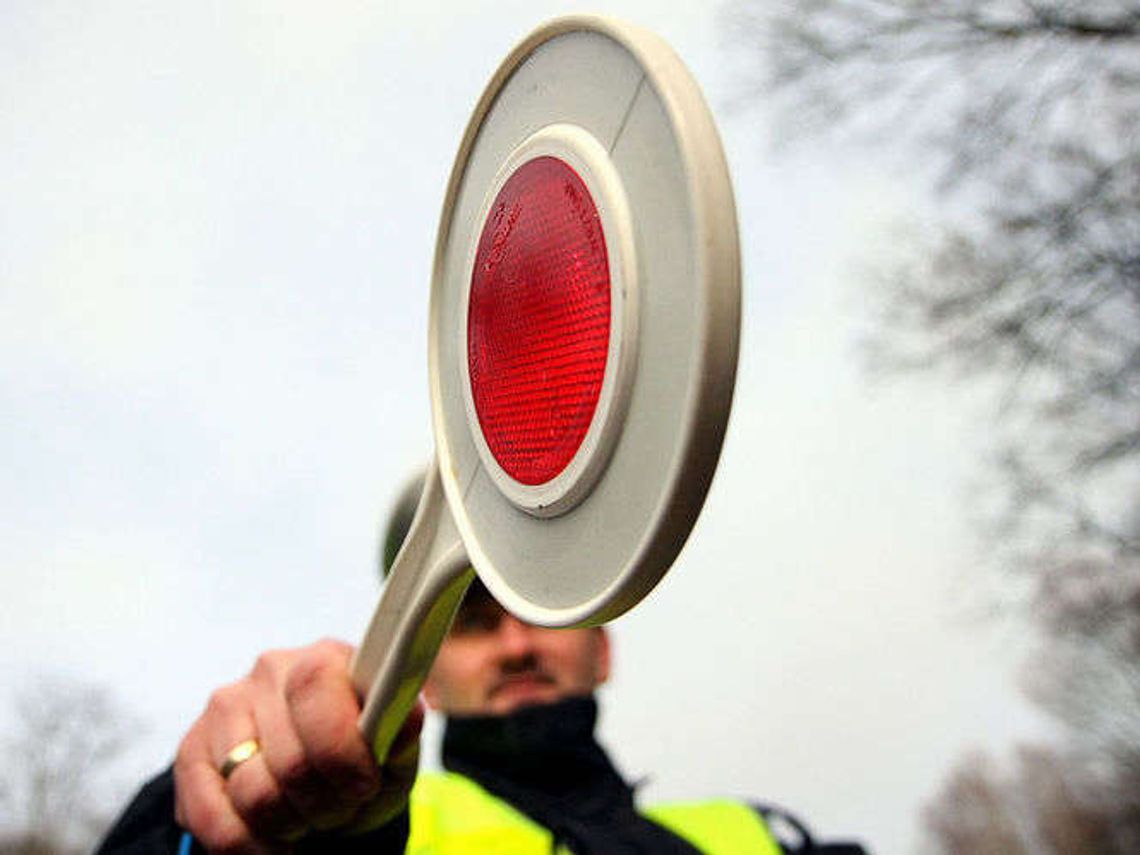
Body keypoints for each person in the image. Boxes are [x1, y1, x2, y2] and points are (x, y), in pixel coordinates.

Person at [98, 475, 870, 854]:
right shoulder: (383, 829)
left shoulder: (754, 836)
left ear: (602, 648)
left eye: (541, 610)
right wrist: (241, 800)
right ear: (426, 676)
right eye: (472, 622)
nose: (515, 644)